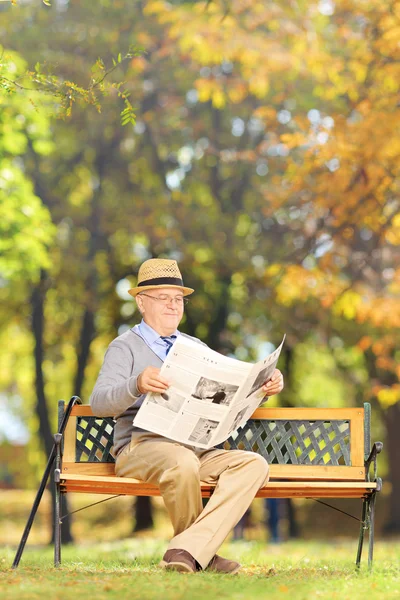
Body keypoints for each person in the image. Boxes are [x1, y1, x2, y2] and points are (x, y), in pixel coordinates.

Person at [90, 258, 284, 574]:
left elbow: (227, 394)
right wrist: (136, 383)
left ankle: (191, 551)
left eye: (178, 299)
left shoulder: (194, 346)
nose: (172, 305)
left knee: (254, 465)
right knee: (182, 462)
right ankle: (200, 554)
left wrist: (265, 385)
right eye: (163, 298)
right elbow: (99, 403)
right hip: (141, 447)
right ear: (141, 302)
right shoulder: (124, 347)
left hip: (196, 448)